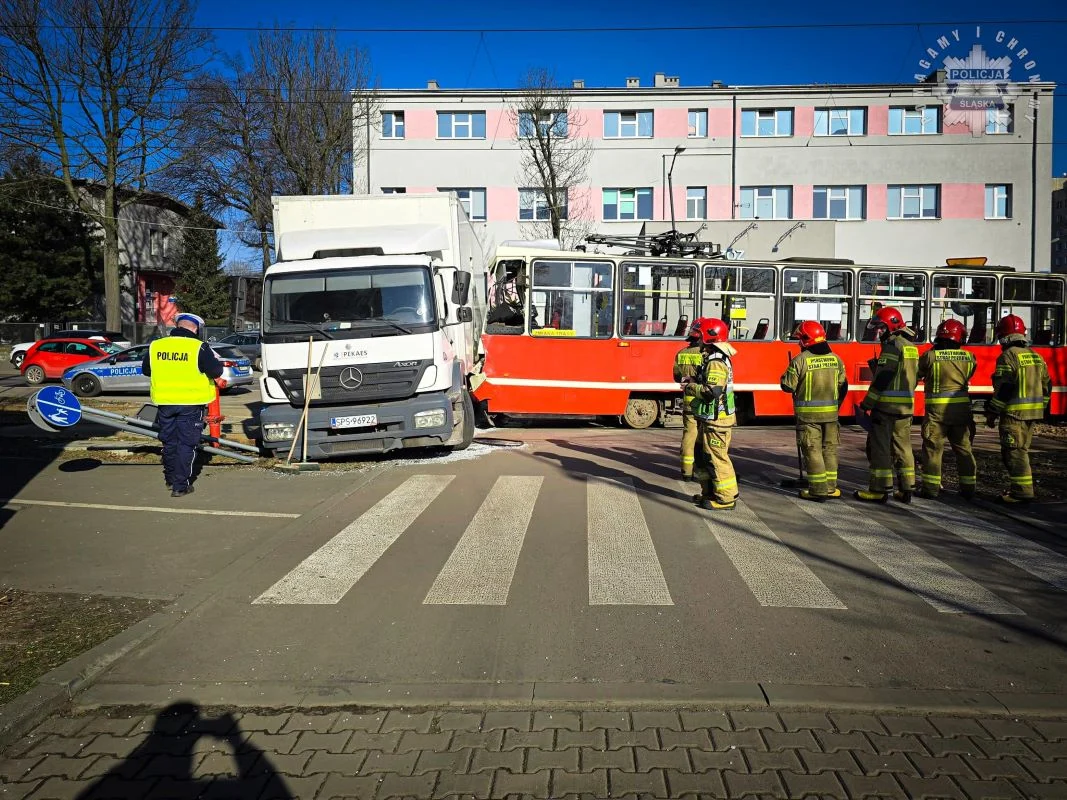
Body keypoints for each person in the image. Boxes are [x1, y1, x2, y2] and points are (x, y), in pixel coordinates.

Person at [142, 313, 224, 498]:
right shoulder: (198, 347)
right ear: (195, 328)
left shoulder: (156, 345)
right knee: (186, 444)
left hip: (165, 403)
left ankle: (170, 479)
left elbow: (147, 370)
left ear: (178, 326)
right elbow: (215, 370)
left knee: (169, 442)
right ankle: (180, 485)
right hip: (191, 403)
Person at [854, 306, 920, 503]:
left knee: (880, 447)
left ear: (892, 326)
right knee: (903, 447)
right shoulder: (910, 346)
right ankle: (907, 488)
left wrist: (867, 403)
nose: (878, 332)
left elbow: (883, 377)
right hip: (906, 407)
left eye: (881, 328)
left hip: (886, 409)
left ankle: (879, 490)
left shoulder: (892, 346)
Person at [985, 314, 1052, 504]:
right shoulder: (1036, 356)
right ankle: (1021, 489)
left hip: (1014, 414)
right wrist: (1042, 408)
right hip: (1032, 413)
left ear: (1003, 336)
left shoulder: (1008, 356)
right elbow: (1047, 385)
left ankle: (1021, 493)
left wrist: (992, 412)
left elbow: (1004, 388)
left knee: (1014, 453)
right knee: (1021, 450)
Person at [780, 320, 848, 502]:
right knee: (830, 450)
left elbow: (787, 386)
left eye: (800, 339)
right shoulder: (836, 359)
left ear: (806, 340)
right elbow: (844, 386)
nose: (798, 343)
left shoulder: (800, 360)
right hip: (832, 415)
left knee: (813, 450)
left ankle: (818, 490)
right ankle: (831, 487)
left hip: (808, 417)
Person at [916, 319, 977, 499]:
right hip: (962, 412)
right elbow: (970, 374)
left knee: (933, 450)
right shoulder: (969, 357)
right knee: (964, 450)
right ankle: (968, 489)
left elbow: (918, 373)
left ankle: (931, 489)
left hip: (937, 414)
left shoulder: (930, 357)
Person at [685, 318, 738, 511]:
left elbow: (712, 392)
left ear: (709, 337)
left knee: (716, 458)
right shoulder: (712, 358)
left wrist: (690, 387)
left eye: (699, 336)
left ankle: (726, 499)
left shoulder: (716, 362)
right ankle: (709, 492)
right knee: (702, 457)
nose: (696, 340)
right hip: (709, 419)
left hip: (718, 421)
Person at [673, 318, 706, 480]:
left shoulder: (681, 354)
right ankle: (703, 470)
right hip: (705, 401)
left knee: (689, 434)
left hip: (688, 401)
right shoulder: (706, 353)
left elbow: (676, 376)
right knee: (705, 436)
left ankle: (686, 471)